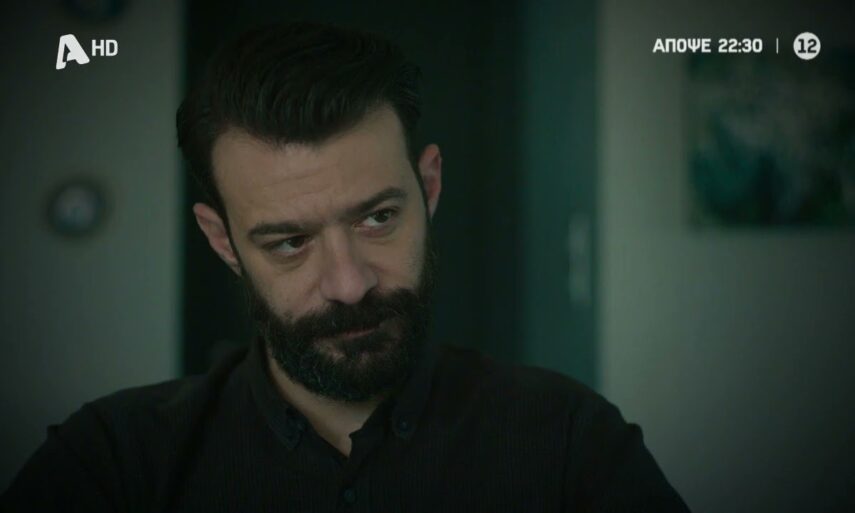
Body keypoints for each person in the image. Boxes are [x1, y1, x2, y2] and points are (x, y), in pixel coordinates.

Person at [1, 22, 690, 512]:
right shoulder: (114, 462)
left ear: (429, 187)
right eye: (289, 242)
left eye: (377, 218)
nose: (350, 283)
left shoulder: (567, 440)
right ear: (222, 241)